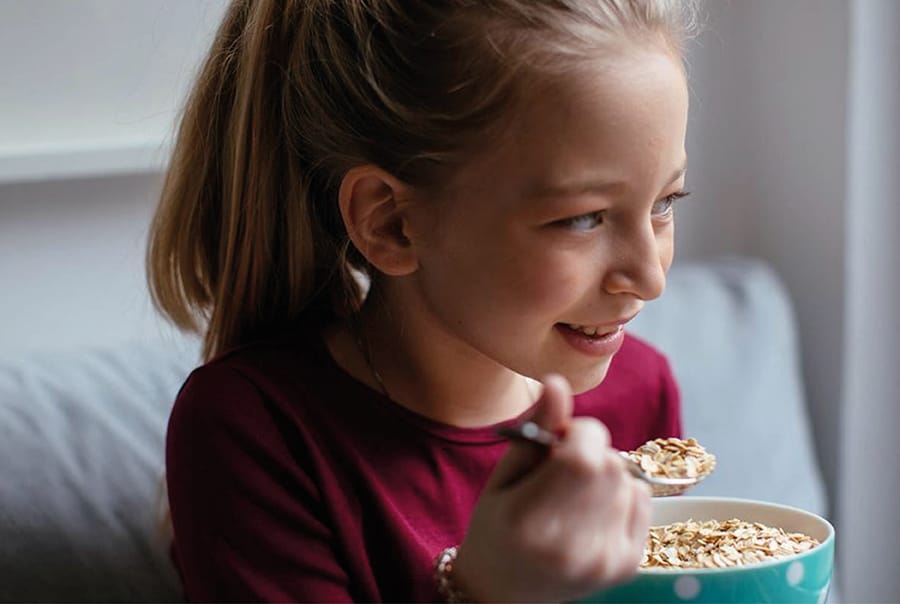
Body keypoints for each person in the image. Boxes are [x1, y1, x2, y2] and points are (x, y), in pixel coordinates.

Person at [148, 0, 696, 601]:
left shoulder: (642, 393)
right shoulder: (254, 433)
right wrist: (484, 591)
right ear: (392, 225)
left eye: (665, 202)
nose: (649, 278)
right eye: (582, 218)